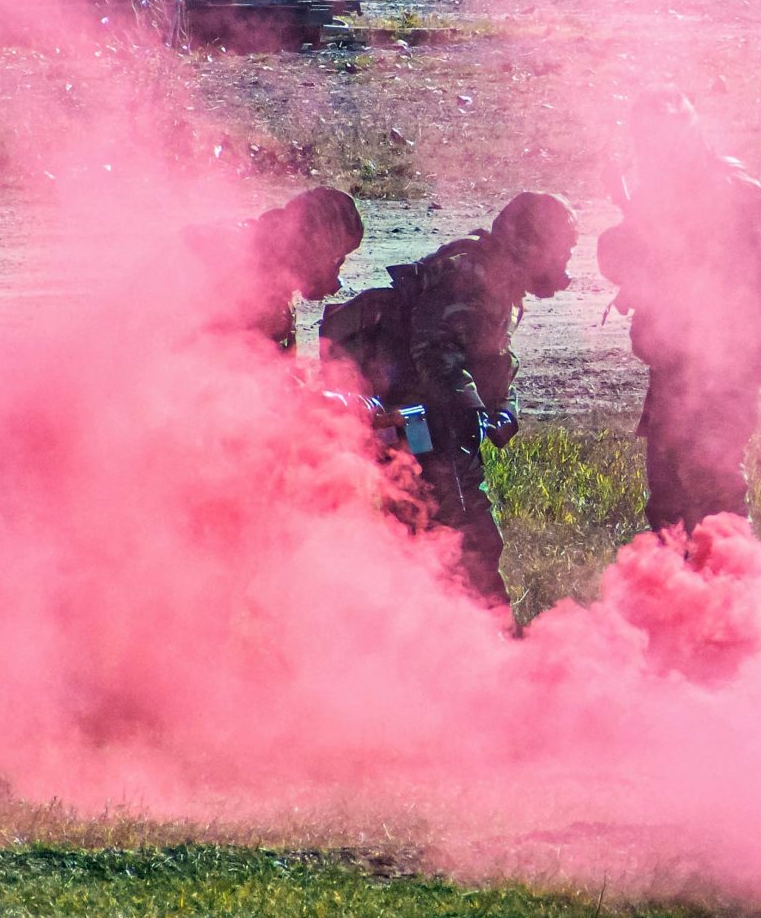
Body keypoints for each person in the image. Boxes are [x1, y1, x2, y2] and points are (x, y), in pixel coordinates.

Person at [321, 192, 578, 610]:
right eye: (560, 250)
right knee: (458, 540)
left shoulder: (494, 277)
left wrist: (501, 407)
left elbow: (486, 359)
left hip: (432, 426)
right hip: (416, 429)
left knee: (436, 538)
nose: (564, 263)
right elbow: (433, 351)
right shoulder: (473, 275)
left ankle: (437, 639)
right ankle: (475, 641)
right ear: (532, 244)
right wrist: (471, 408)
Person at [596, 92, 761, 533]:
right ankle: (677, 595)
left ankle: (731, 589)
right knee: (670, 495)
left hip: (722, 359)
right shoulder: (668, 189)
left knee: (713, 485)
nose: (648, 152)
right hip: (678, 358)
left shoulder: (726, 189)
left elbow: (725, 275)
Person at [188, 186, 364, 350]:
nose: (336, 273)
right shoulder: (243, 270)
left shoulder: (269, 269)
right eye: (335, 258)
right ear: (309, 245)